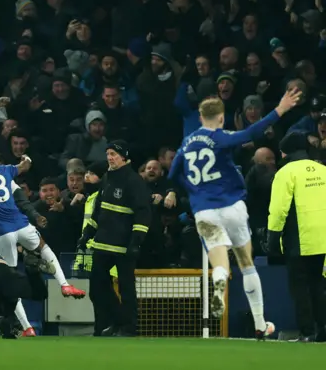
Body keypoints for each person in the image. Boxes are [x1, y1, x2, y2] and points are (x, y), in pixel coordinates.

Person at [168, 87, 301, 340]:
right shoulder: (220, 137)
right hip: (231, 206)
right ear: (220, 117)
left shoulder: (186, 144)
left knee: (219, 261)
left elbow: (173, 175)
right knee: (246, 263)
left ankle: (219, 283)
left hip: (204, 211)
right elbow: (251, 132)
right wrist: (280, 109)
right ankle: (261, 325)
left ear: (199, 117)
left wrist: (195, 192)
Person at [0, 144, 85, 337]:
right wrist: (26, 159)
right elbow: (25, 166)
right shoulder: (5, 170)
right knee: (43, 247)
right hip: (20, 224)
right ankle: (64, 284)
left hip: (0, 232)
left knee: (9, 282)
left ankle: (18, 325)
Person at [78, 140, 151, 337]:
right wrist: (87, 234)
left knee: (127, 290)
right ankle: (117, 321)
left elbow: (143, 213)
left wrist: (136, 241)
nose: (110, 157)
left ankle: (129, 328)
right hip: (102, 243)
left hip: (124, 246)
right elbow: (98, 211)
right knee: (96, 289)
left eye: (114, 154)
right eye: (108, 154)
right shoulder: (108, 178)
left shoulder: (134, 181)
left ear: (124, 157)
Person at [268, 132, 326, 342]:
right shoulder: (323, 170)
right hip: (324, 240)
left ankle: (307, 332)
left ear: (288, 151)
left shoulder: (286, 172)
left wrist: (272, 238)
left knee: (300, 286)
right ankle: (323, 330)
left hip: (300, 240)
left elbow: (278, 209)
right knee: (319, 285)